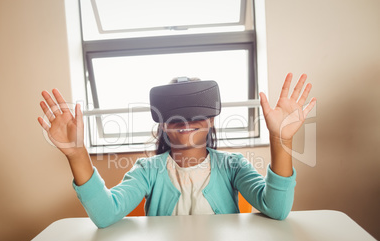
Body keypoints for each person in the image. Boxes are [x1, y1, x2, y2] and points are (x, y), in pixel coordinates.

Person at [38, 73, 316, 228]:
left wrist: (281, 139)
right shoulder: (147, 171)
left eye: (196, 110)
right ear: (161, 124)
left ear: (211, 118)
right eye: (173, 113)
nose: (184, 121)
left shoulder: (233, 165)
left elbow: (277, 210)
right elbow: (105, 213)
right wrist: (77, 154)